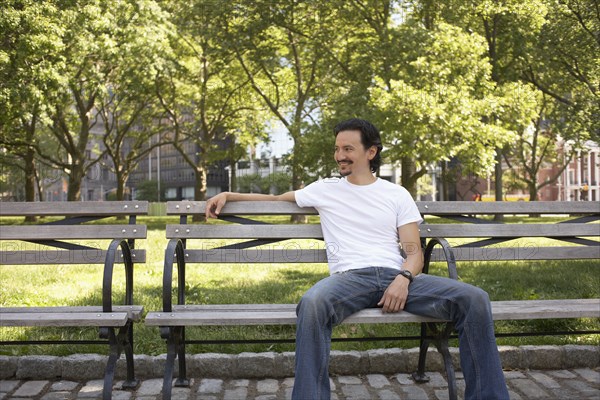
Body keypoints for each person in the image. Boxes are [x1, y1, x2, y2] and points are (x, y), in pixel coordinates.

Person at [206, 118, 509, 400]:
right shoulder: (324, 189)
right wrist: (229, 195)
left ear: (371, 151)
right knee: (312, 303)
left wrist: (403, 280)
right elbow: (276, 199)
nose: (340, 155)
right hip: (349, 279)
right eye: (337, 149)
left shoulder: (396, 194)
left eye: (348, 149)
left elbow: (414, 253)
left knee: (475, 298)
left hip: (397, 276)